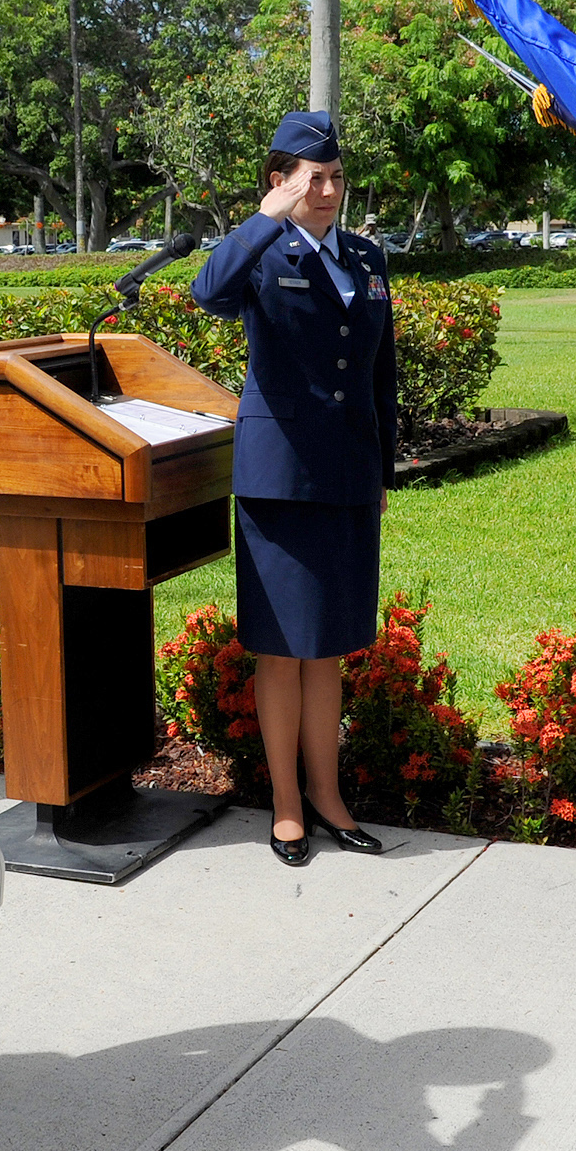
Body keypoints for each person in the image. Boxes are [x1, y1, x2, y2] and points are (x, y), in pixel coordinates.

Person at [190, 111, 395, 867]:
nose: (329, 189)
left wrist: (381, 469)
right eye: (314, 179)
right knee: (281, 649)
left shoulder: (369, 258)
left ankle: (329, 796)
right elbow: (206, 289)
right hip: (279, 481)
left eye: (337, 177)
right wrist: (262, 219)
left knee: (329, 648)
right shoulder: (261, 253)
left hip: (346, 477)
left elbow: (381, 377)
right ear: (280, 183)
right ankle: (284, 805)